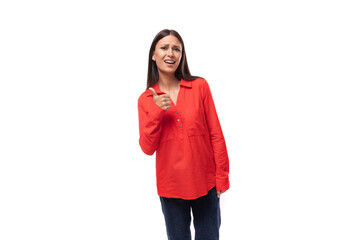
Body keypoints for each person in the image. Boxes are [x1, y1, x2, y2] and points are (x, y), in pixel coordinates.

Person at [137, 29, 230, 240]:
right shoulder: (145, 99)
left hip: (205, 184)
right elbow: (147, 148)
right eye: (164, 48)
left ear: (182, 55)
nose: (171, 53)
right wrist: (157, 111)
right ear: (153, 54)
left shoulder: (199, 87)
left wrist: (222, 176)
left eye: (176, 49)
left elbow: (216, 133)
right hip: (171, 187)